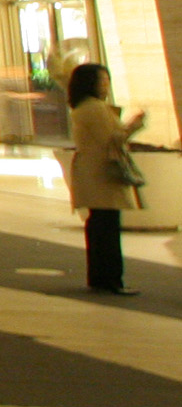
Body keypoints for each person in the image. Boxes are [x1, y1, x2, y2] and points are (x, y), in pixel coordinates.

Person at [68, 62, 146, 296]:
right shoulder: (95, 108)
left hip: (90, 171)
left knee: (99, 225)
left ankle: (100, 277)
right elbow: (112, 139)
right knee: (108, 227)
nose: (106, 86)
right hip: (102, 173)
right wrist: (134, 125)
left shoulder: (82, 107)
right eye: (102, 81)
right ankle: (111, 279)